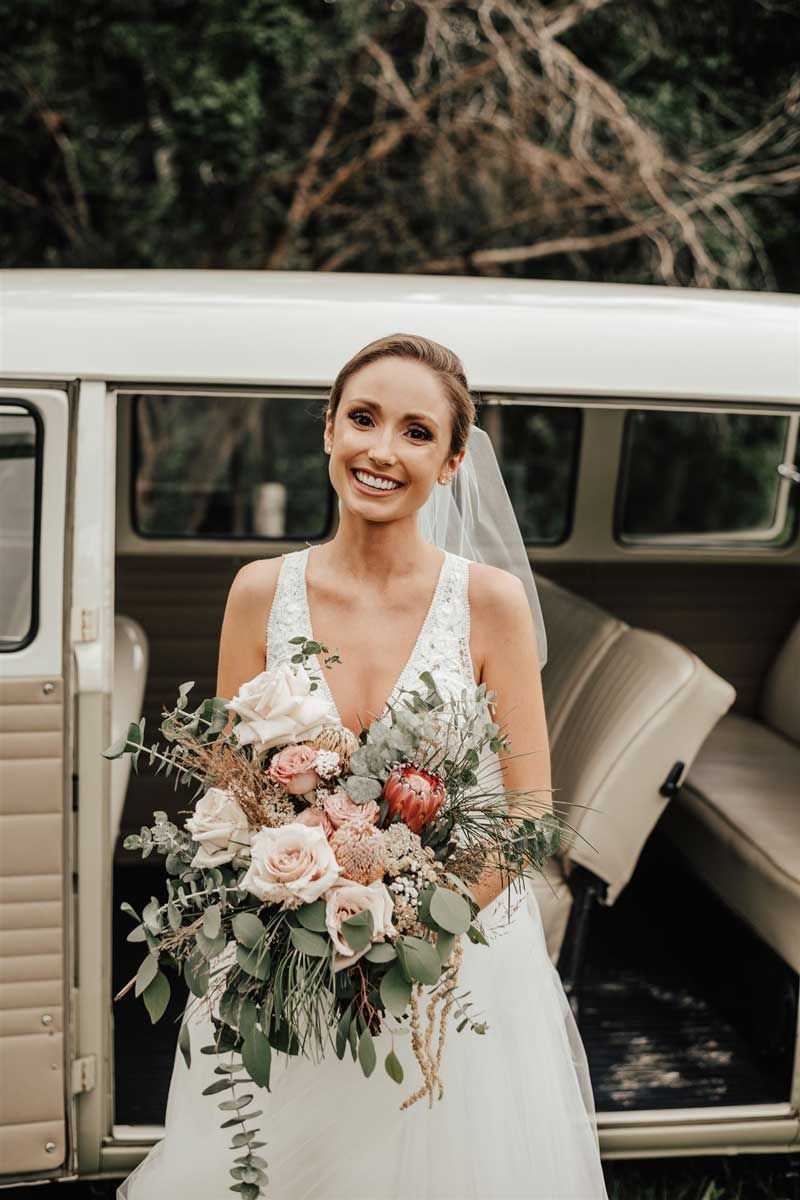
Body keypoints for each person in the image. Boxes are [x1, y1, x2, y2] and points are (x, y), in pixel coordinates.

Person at [117, 334, 609, 1199]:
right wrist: (290, 906)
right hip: (286, 951)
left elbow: (530, 812)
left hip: (452, 959)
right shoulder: (259, 592)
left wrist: (410, 932)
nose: (382, 450)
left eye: (417, 433)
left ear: (451, 462)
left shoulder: (489, 603)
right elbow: (230, 789)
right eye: (363, 419)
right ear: (328, 430)